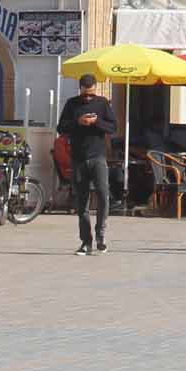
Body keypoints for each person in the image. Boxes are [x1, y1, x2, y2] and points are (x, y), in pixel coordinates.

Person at [55, 75, 117, 255]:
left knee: (103, 195)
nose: (88, 98)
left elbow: (113, 127)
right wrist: (78, 122)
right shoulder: (72, 104)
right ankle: (86, 241)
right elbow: (61, 128)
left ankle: (101, 234)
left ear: (95, 89)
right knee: (81, 201)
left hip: (98, 156)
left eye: (91, 94)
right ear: (80, 89)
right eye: (85, 94)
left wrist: (96, 121)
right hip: (78, 158)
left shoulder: (102, 103)